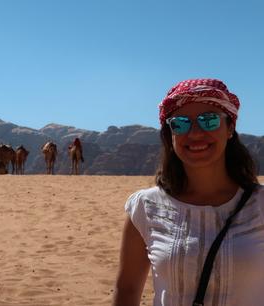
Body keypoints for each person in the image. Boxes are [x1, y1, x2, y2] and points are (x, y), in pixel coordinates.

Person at [112, 78, 262, 306]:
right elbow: (127, 290)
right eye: (180, 124)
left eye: (209, 121)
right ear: (170, 136)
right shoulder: (145, 208)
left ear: (230, 127)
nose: (195, 133)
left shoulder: (260, 206)